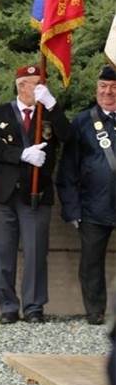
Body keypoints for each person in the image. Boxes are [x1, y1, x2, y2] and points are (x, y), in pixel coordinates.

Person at [0, 65, 69, 324]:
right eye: (33, 83)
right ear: (20, 86)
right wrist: (19, 154)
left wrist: (53, 106)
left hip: (36, 193)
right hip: (4, 194)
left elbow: (70, 138)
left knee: (35, 253)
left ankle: (33, 306)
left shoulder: (49, 114)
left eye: (42, 83)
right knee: (3, 253)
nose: (39, 88)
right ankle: (8, 306)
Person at [56, 64, 116, 325]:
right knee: (91, 263)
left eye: (113, 88)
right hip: (94, 205)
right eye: (103, 87)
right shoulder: (82, 121)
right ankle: (95, 310)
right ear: (96, 89)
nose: (108, 92)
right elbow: (68, 169)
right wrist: (72, 208)